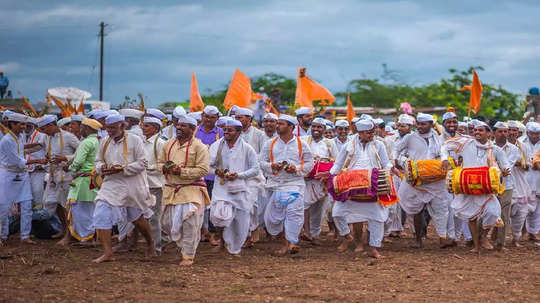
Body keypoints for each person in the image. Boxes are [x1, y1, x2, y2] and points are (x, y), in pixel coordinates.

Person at [92, 114, 156, 263]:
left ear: (122, 126)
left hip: (132, 185)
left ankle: (150, 244)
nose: (109, 131)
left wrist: (122, 169)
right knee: (100, 213)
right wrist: (103, 168)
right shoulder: (104, 141)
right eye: (107, 128)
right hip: (111, 184)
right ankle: (108, 253)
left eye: (112, 127)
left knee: (137, 219)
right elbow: (97, 161)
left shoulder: (135, 140)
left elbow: (143, 163)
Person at [331, 119, 397, 258]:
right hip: (351, 186)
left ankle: (374, 248)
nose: (372, 134)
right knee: (337, 213)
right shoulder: (348, 146)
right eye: (368, 132)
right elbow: (337, 165)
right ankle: (346, 235)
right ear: (360, 132)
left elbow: (386, 163)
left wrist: (392, 169)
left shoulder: (379, 145)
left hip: (372, 185)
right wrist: (330, 176)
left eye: (373, 132)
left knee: (377, 218)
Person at [442, 122, 511, 253]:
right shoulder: (465, 143)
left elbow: (506, 165)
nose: (477, 132)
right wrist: (445, 159)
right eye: (475, 130)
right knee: (472, 217)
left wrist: (504, 171)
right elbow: (445, 146)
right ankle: (476, 246)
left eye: (480, 130)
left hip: (486, 188)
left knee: (493, 213)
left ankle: (484, 237)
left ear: (488, 133)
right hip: (468, 186)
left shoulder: (495, 149)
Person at [396, 113, 455, 249]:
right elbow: (396, 149)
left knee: (441, 208)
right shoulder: (410, 138)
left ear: (430, 124)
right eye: (418, 124)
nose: (420, 127)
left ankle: (442, 238)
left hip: (435, 178)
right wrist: (401, 161)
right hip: (416, 179)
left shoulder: (439, 138)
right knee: (416, 209)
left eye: (423, 124)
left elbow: (444, 151)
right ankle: (417, 239)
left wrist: (445, 160)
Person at [260, 114, 314, 255]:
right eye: (277, 123)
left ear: (291, 127)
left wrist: (295, 169)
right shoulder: (270, 143)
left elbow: (309, 163)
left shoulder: (302, 144)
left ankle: (291, 243)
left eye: (281, 124)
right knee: (274, 216)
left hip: (294, 184)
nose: (277, 126)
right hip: (275, 184)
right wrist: (272, 166)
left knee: (294, 213)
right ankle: (284, 241)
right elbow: (261, 162)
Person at [160, 115, 210, 266]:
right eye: (178, 125)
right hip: (171, 190)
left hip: (191, 189)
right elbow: (158, 163)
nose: (179, 128)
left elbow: (203, 169)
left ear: (193, 129)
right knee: (167, 223)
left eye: (184, 126)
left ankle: (188, 256)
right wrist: (164, 168)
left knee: (190, 223)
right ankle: (184, 246)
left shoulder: (200, 147)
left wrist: (181, 172)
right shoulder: (167, 145)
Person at [209, 119, 259, 255]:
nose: (226, 132)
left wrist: (239, 175)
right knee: (218, 216)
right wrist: (216, 172)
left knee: (240, 221)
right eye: (225, 129)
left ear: (239, 132)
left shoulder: (247, 148)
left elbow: (255, 169)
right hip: (221, 187)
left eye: (230, 130)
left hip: (240, 188)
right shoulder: (217, 146)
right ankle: (222, 243)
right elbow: (208, 165)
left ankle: (236, 245)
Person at [0, 112, 47, 245]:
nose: (23, 127)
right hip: (8, 176)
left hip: (22, 175)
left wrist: (36, 145)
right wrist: (39, 160)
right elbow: (18, 160)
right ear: (12, 124)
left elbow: (20, 149)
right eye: (20, 124)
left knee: (27, 206)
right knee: (3, 208)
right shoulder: (7, 140)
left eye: (24, 124)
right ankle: (2, 236)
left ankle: (25, 236)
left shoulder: (19, 136)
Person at [57, 118, 101, 246]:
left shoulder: (87, 142)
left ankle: (86, 238)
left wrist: (69, 168)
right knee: (89, 209)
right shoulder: (97, 141)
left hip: (82, 181)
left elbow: (79, 161)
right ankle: (88, 237)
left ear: (87, 129)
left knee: (78, 209)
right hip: (91, 179)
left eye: (81, 127)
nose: (79, 130)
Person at [38, 114, 80, 239]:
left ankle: (69, 234)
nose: (42, 132)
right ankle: (64, 229)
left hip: (67, 176)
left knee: (66, 205)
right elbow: (40, 147)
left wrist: (66, 159)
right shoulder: (47, 137)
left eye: (44, 129)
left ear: (51, 125)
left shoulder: (68, 137)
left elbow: (82, 152)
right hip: (53, 176)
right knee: (53, 204)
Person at [301, 117, 338, 243]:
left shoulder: (329, 143)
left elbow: (336, 160)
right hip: (306, 180)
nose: (316, 129)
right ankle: (306, 231)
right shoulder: (304, 140)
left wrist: (326, 167)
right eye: (314, 126)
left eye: (319, 127)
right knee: (305, 204)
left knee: (318, 209)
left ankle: (314, 235)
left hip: (322, 181)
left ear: (324, 129)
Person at [195, 105, 223, 245]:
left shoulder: (221, 133)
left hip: (213, 175)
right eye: (206, 116)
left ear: (217, 118)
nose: (209, 120)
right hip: (196, 175)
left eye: (212, 117)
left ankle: (212, 235)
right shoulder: (194, 131)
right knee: (197, 205)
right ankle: (201, 232)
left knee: (212, 205)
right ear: (202, 116)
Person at [490, 122, 518, 250]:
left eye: (505, 131)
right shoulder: (488, 146)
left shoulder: (513, 149)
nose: (503, 134)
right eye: (500, 131)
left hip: (507, 185)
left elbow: (508, 167)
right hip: (488, 184)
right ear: (494, 133)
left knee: (504, 215)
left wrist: (496, 169)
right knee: (486, 212)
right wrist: (499, 170)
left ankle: (501, 243)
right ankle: (480, 239)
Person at [507, 121, 532, 247]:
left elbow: (528, 166)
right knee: (501, 212)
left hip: (521, 184)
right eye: (509, 130)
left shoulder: (523, 147)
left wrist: (521, 164)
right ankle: (493, 237)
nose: (512, 133)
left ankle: (515, 239)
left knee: (521, 213)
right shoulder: (499, 146)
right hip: (505, 184)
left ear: (518, 133)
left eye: (514, 130)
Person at [520, 122, 540, 242]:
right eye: (533, 133)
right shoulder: (520, 142)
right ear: (527, 133)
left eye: (537, 134)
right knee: (523, 207)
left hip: (538, 179)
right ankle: (522, 232)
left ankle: (533, 232)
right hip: (524, 179)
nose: (535, 136)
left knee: (537, 208)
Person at [24, 118, 48, 208]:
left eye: (28, 124)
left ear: (33, 124)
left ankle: (39, 218)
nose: (26, 126)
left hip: (38, 170)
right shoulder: (21, 136)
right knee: (25, 196)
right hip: (25, 171)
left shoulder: (42, 136)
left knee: (37, 194)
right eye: (24, 124)